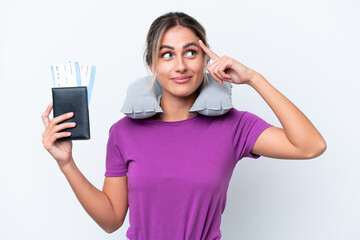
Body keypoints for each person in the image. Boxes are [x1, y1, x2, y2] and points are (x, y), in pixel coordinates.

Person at [41, 11, 327, 240]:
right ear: (152, 65)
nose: (180, 65)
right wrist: (67, 163)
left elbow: (310, 146)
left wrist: (253, 78)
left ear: (205, 60)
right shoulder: (123, 132)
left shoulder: (234, 126)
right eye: (166, 55)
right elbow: (111, 220)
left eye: (191, 53)